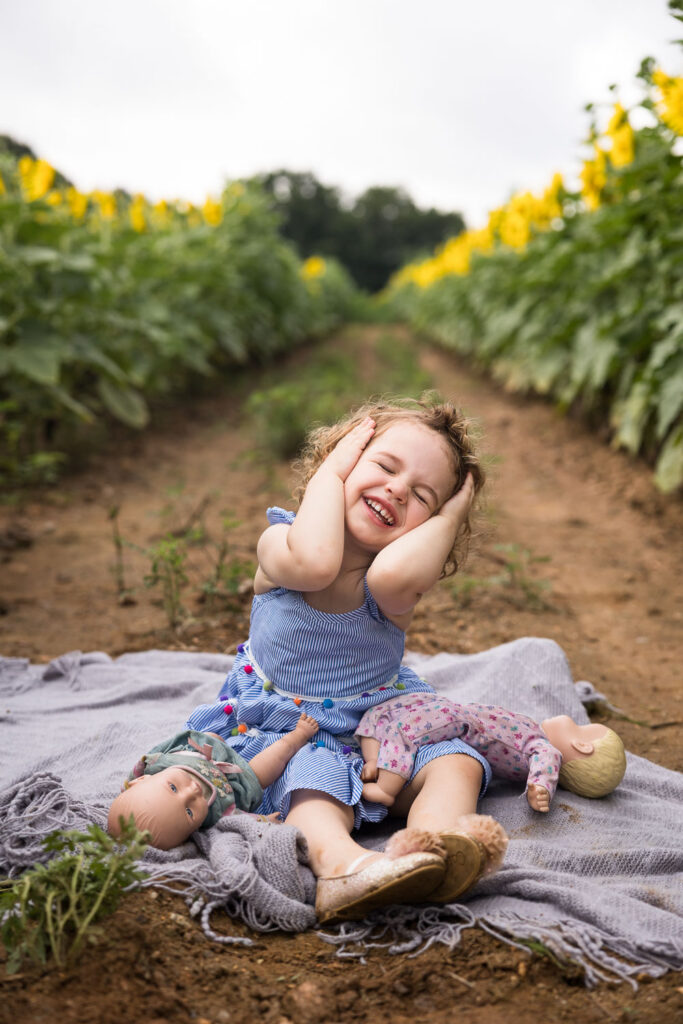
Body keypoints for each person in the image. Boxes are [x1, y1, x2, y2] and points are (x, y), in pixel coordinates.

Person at [185, 397, 509, 923]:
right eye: (384, 466)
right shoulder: (280, 544)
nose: (398, 490)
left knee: (456, 761)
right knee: (313, 788)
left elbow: (392, 576)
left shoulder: (392, 582)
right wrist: (333, 471)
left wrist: (451, 513)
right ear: (342, 460)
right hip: (294, 730)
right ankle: (343, 869)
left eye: (422, 496)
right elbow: (316, 564)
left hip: (379, 730)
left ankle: (436, 849)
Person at [355, 695, 626, 809]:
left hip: (461, 721)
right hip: (457, 713)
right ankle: (373, 759)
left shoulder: (545, 748)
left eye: (580, 727)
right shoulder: (536, 735)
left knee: (404, 729)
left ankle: (386, 788)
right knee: (387, 712)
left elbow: (547, 763)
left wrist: (541, 786)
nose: (573, 720)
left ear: (582, 746)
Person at [108, 712, 320, 849]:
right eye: (189, 812)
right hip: (236, 780)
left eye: (173, 787)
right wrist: (266, 823)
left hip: (201, 751)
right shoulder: (217, 813)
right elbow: (241, 820)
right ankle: (297, 737)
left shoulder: (152, 765)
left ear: (143, 780)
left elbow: (134, 778)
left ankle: (221, 739)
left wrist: (128, 787)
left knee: (211, 734)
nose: (192, 792)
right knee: (266, 768)